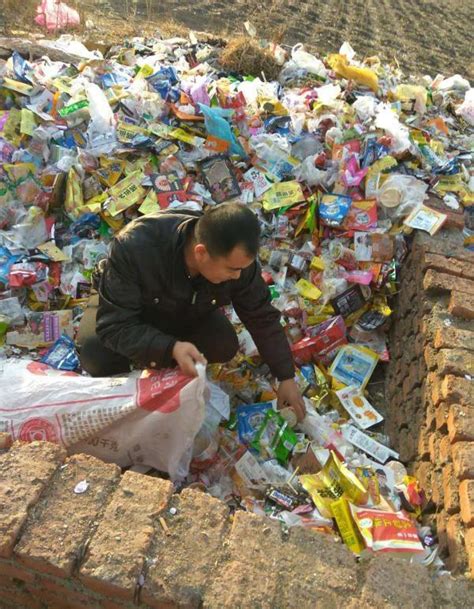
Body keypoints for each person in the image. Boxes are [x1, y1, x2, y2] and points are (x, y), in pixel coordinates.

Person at [79, 202, 306, 421]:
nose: (238, 276)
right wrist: (170, 348)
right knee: (95, 354)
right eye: (232, 269)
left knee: (223, 345)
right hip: (133, 311)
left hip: (188, 310)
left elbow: (261, 315)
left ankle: (168, 360)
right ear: (201, 253)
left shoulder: (238, 264)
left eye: (242, 269)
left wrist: (285, 376)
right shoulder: (136, 247)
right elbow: (115, 325)